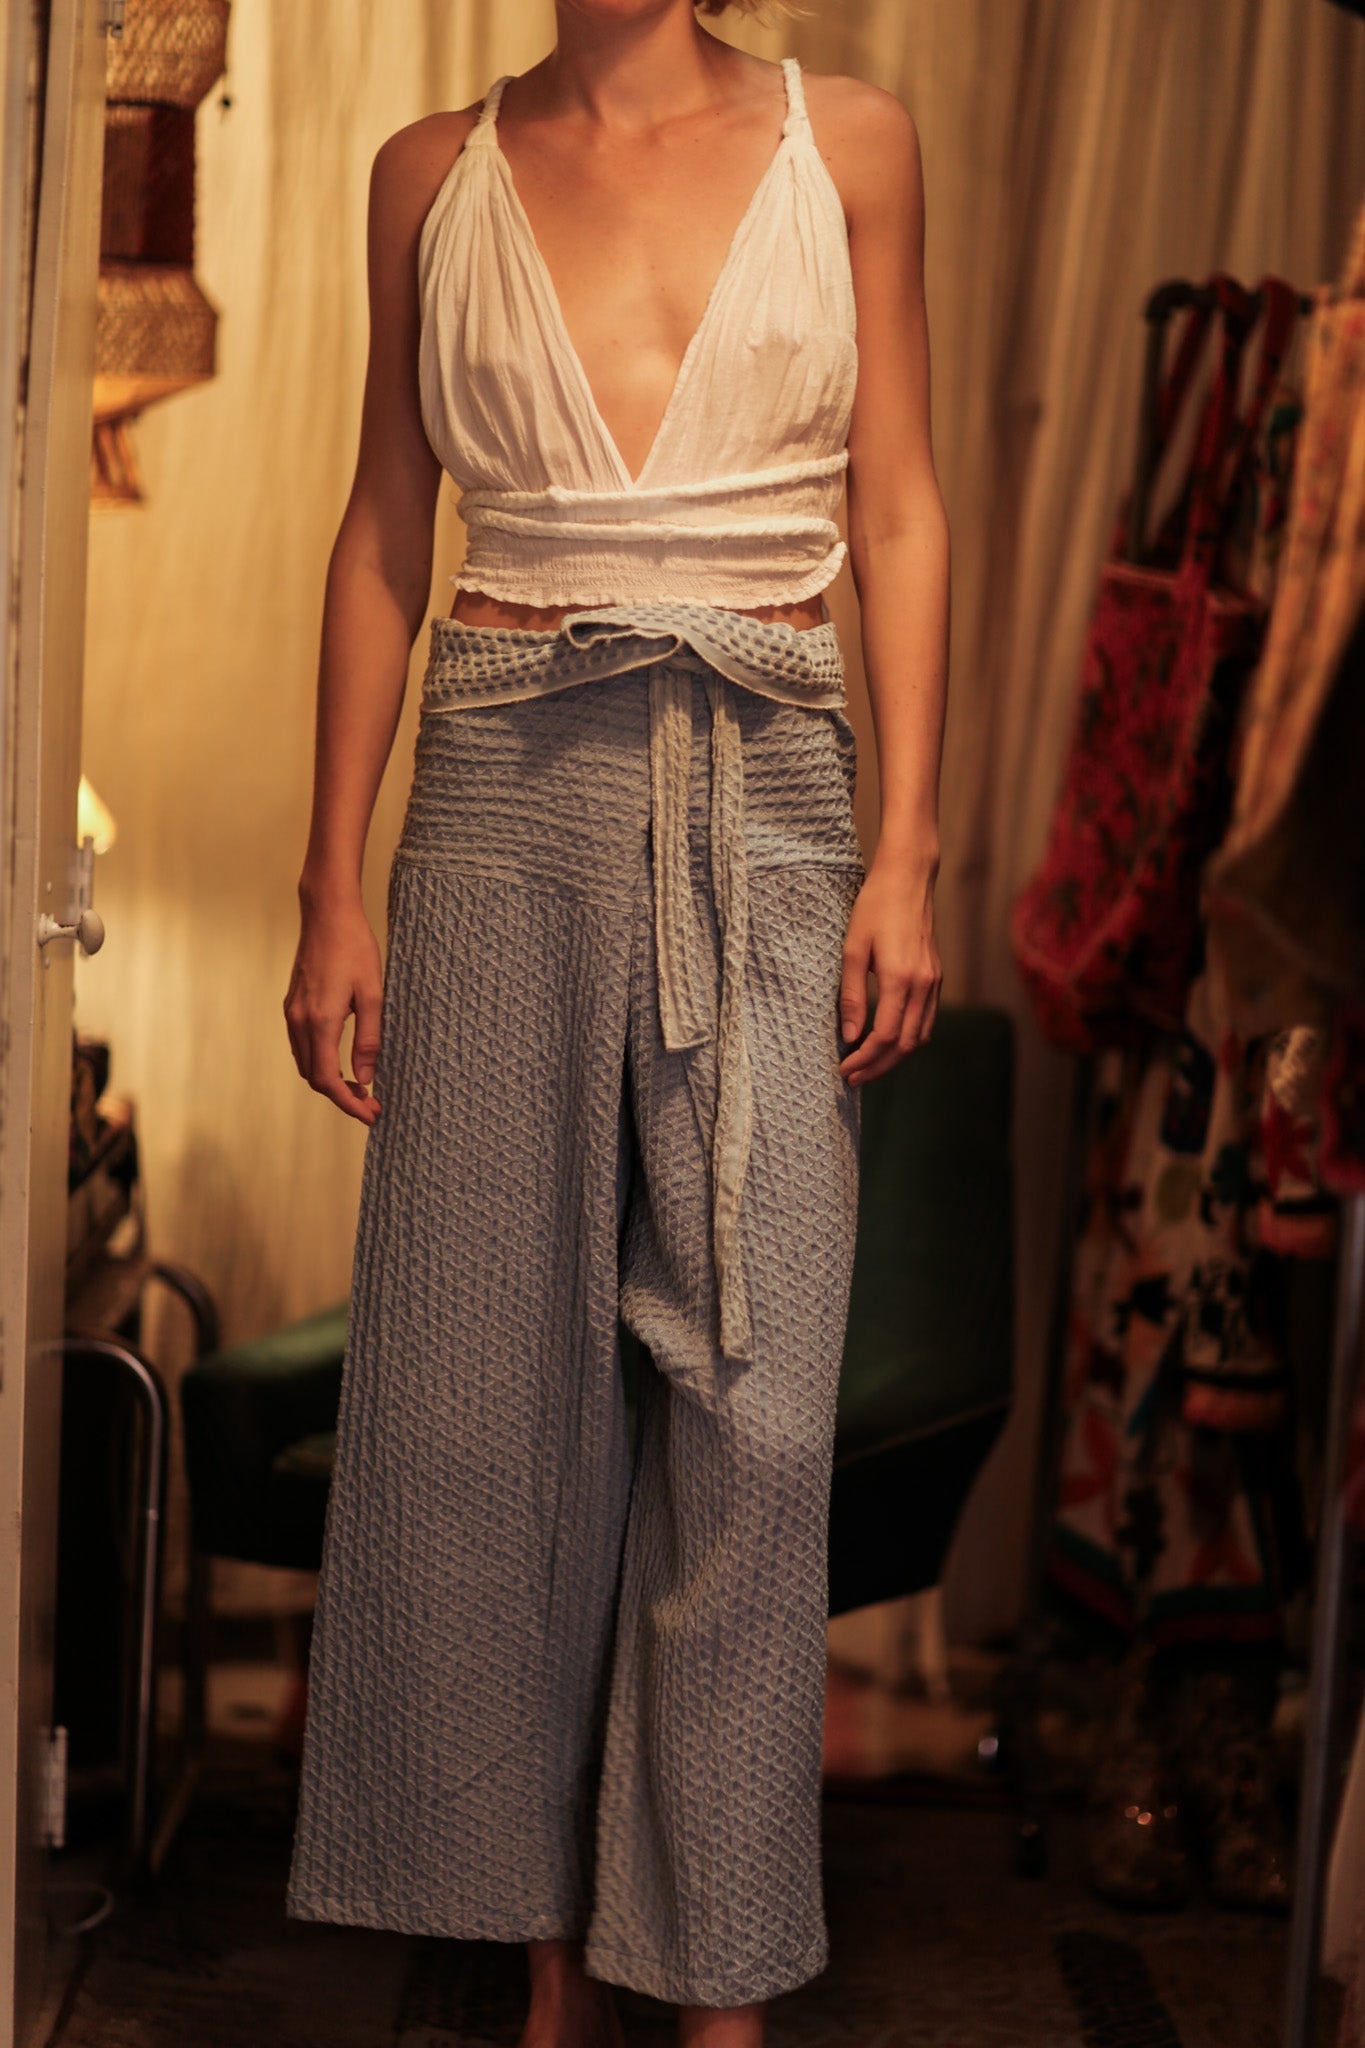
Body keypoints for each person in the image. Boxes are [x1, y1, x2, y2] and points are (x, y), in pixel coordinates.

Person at [281, 2, 949, 2043]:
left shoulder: (850, 144)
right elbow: (386, 529)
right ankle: (550, 1968)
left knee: (757, 1413)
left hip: (770, 783)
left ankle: (715, 1974)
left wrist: (910, 848)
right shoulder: (430, 174)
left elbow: (901, 511)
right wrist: (329, 884)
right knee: (498, 1408)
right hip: (501, 778)